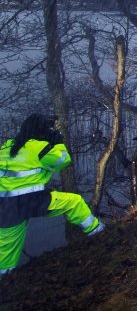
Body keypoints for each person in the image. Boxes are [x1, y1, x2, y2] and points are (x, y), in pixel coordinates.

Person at [0, 113, 105, 275]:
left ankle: (5, 281)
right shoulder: (38, 147)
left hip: (5, 205)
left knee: (6, 253)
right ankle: (99, 232)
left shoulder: (7, 146)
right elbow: (63, 160)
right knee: (74, 202)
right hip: (31, 201)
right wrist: (57, 141)